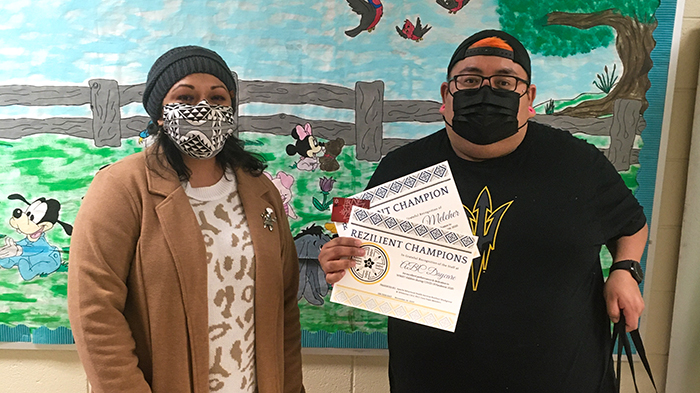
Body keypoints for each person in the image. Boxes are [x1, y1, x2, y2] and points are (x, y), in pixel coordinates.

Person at [319, 30, 648, 392]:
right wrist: (339, 257)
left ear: (530, 97)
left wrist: (625, 269)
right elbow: (353, 245)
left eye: (505, 82)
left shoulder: (580, 163)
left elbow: (631, 224)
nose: (487, 93)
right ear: (447, 94)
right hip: (431, 380)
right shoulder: (400, 167)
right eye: (470, 80)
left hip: (565, 378)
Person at [68, 46, 304, 393]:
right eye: (186, 96)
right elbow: (94, 311)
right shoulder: (121, 188)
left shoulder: (260, 190)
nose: (204, 108)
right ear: (160, 113)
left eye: (218, 97)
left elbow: (285, 308)